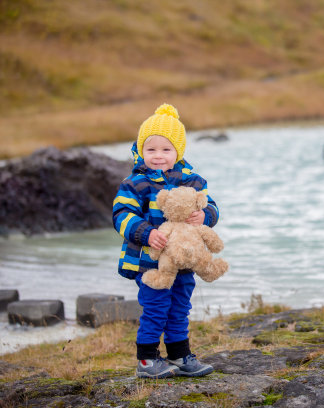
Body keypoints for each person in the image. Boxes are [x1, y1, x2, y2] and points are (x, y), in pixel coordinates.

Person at [112, 103, 220, 379]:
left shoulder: (194, 181)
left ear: (178, 151)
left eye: (165, 149)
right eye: (151, 149)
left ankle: (179, 354)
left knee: (180, 308)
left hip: (185, 261)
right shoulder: (135, 183)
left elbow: (213, 206)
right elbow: (121, 214)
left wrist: (204, 216)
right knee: (157, 306)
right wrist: (146, 232)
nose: (158, 156)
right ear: (140, 150)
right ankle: (147, 360)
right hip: (149, 263)